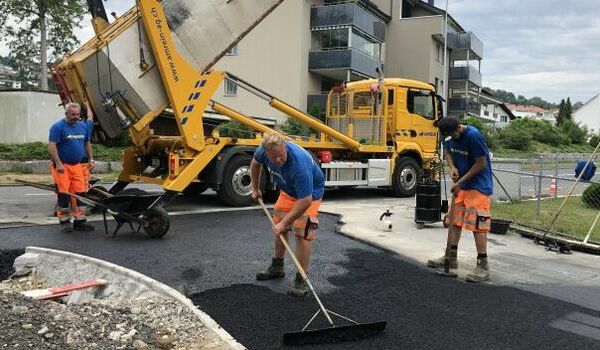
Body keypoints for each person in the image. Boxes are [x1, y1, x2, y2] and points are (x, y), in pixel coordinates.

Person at [250, 132, 325, 297]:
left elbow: (305, 200)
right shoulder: (264, 150)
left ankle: (301, 280)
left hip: (310, 193)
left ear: (285, 147)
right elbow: (255, 164)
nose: (277, 160)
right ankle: (277, 267)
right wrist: (255, 188)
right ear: (267, 153)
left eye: (280, 156)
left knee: (302, 231)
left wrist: (285, 223)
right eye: (273, 157)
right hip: (288, 189)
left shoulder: (299, 164)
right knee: (279, 223)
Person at [427, 116, 493, 282]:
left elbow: (481, 164)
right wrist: (453, 167)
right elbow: (448, 152)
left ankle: (483, 267)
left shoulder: (473, 135)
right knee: (454, 222)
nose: (450, 138)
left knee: (478, 225)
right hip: (461, 185)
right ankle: (450, 258)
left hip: (478, 186)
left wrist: (461, 181)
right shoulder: (448, 135)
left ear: (458, 128)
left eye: (452, 135)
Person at [48, 102, 95, 233]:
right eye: (73, 114)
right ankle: (64, 221)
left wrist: (90, 159)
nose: (76, 117)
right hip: (62, 166)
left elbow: (87, 143)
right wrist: (58, 163)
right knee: (64, 194)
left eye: (78, 114)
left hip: (77, 166)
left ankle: (80, 221)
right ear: (66, 113)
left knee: (80, 193)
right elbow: (52, 146)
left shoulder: (82, 126)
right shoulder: (58, 127)